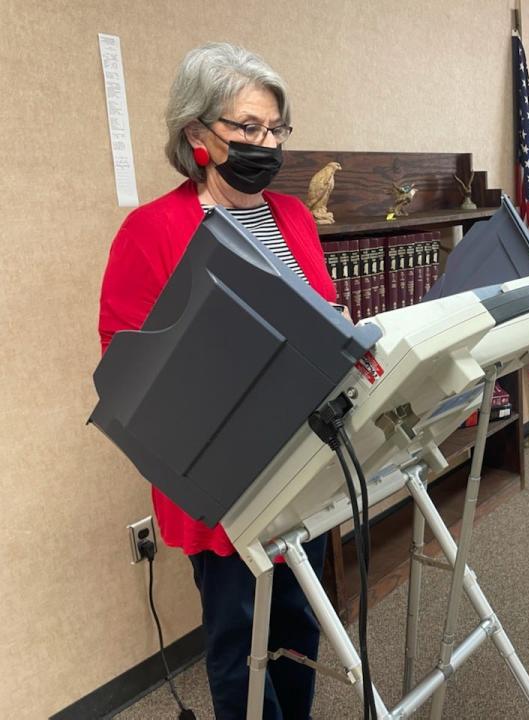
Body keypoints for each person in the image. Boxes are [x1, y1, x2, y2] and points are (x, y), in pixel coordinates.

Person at [99, 42, 335, 720]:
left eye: (274, 130)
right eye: (248, 129)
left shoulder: (291, 217)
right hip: (222, 479)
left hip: (303, 460)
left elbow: (316, 312)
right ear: (196, 134)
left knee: (298, 627)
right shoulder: (151, 232)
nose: (266, 144)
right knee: (241, 642)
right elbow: (125, 365)